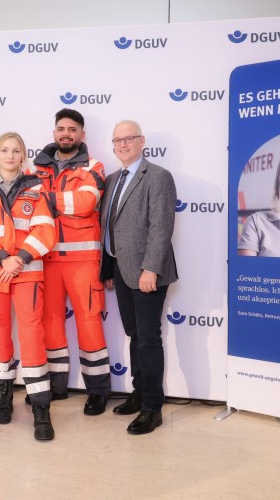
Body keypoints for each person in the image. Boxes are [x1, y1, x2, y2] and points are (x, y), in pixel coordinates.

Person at [0, 132, 57, 441]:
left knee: (32, 337)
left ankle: (41, 407)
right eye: (4, 149)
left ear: (23, 156)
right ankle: (3, 398)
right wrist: (3, 257)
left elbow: (45, 228)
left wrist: (21, 257)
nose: (10, 155)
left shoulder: (36, 188)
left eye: (16, 150)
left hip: (27, 272)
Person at [100, 120, 178, 435]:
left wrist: (151, 268)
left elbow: (161, 226)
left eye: (128, 138)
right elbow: (109, 227)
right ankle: (138, 392)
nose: (122, 144)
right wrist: (108, 267)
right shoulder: (111, 179)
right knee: (134, 334)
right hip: (120, 269)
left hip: (147, 271)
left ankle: (152, 407)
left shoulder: (158, 176)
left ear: (141, 141)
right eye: (117, 139)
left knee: (147, 339)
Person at [31, 108, 110, 415]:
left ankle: (98, 390)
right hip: (46, 258)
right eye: (61, 128)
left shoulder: (94, 165)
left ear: (82, 135)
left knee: (89, 323)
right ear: (54, 133)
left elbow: (86, 202)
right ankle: (56, 386)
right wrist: (57, 200)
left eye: (72, 129)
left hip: (82, 260)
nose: (66, 133)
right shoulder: (36, 166)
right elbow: (26, 204)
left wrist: (45, 199)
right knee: (50, 322)